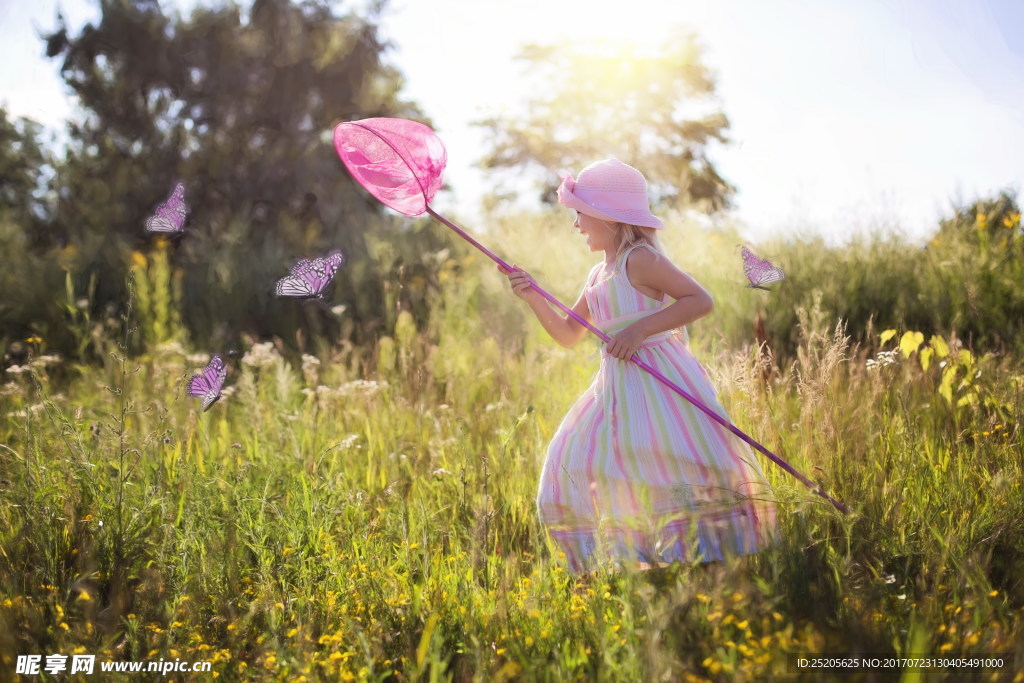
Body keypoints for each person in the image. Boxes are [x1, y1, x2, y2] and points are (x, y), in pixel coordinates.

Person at [500, 158, 777, 573]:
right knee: (574, 456)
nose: (576, 225)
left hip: (660, 381)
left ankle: (707, 559)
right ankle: (633, 555)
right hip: (616, 388)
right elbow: (567, 334)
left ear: (607, 217)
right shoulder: (598, 275)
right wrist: (534, 296)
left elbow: (699, 300)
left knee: (669, 458)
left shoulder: (640, 259)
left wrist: (639, 331)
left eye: (581, 214)